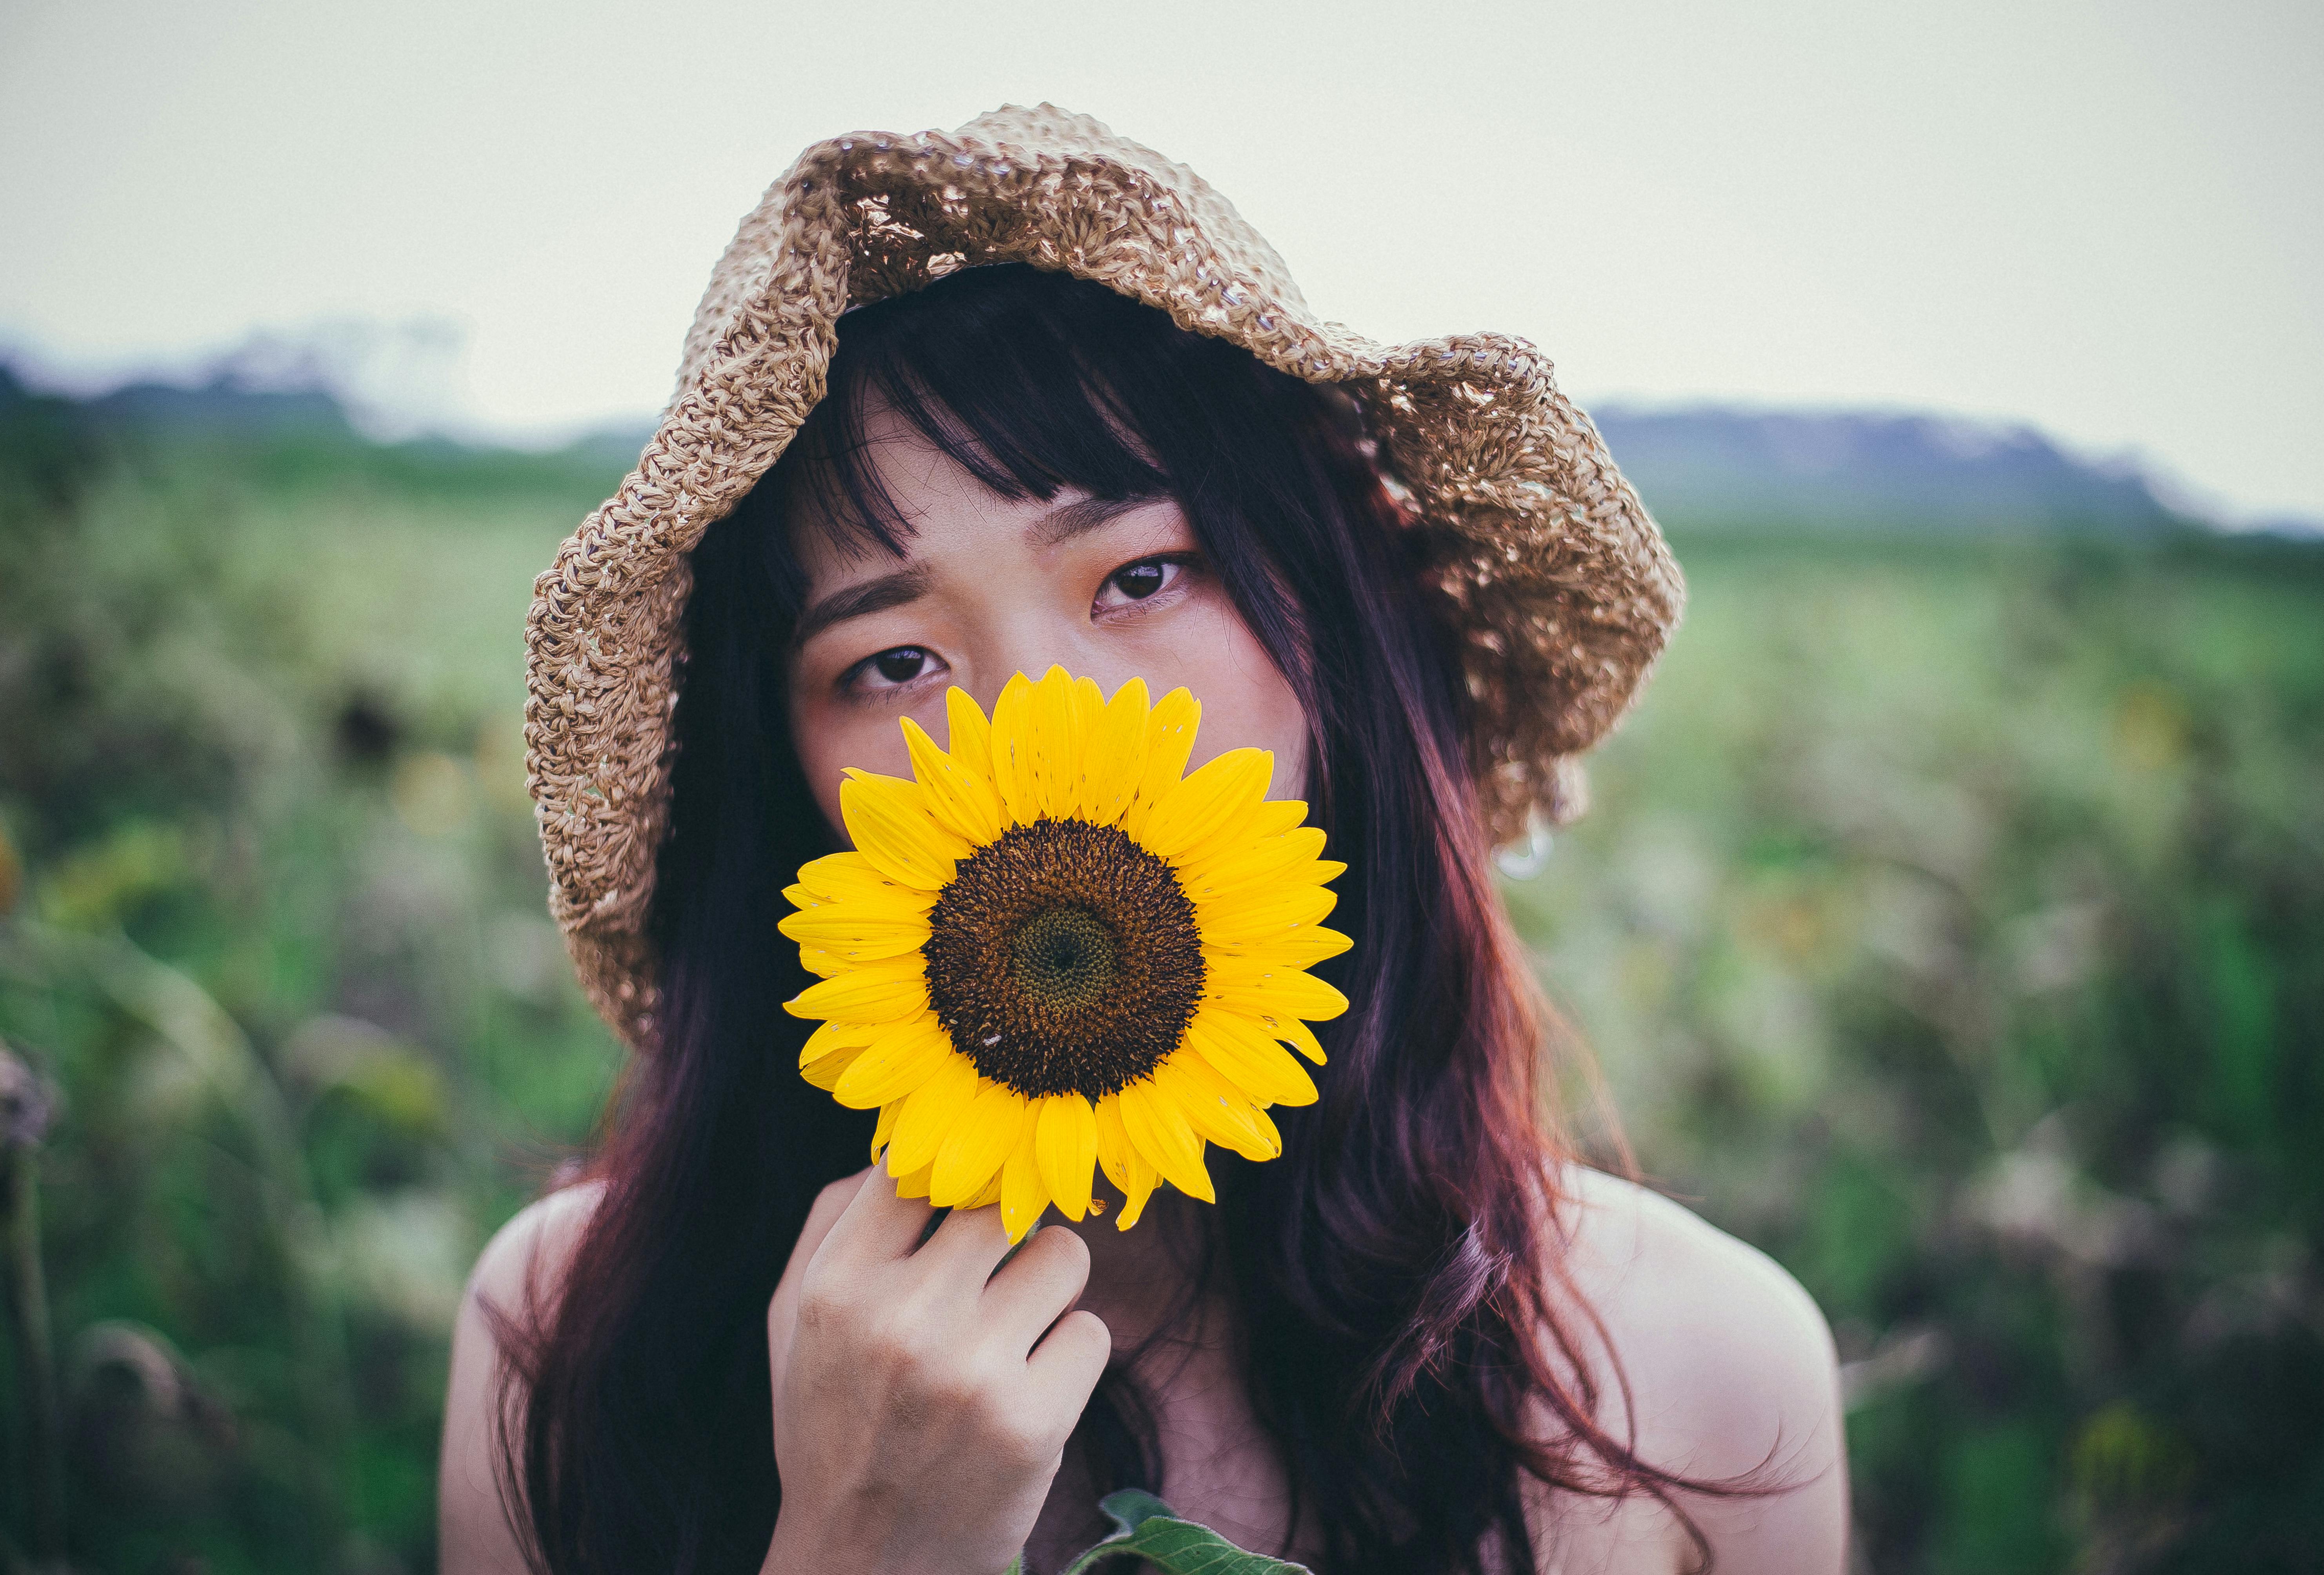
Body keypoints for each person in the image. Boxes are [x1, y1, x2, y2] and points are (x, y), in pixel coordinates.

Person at [436, 107, 1846, 1575]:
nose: (1049, 727)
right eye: (893, 663)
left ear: (1330, 610)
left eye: (1144, 574)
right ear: (782, 776)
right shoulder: (569, 1345)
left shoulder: (1708, 1385)